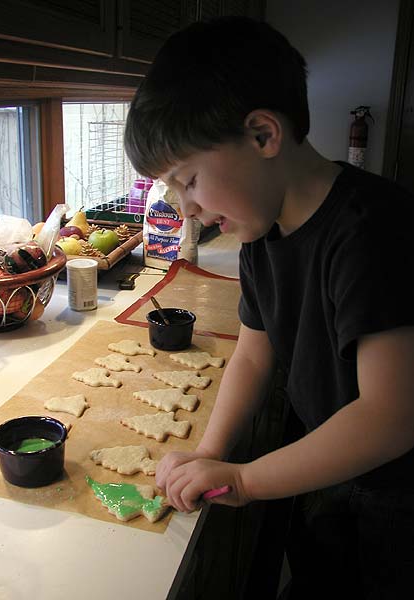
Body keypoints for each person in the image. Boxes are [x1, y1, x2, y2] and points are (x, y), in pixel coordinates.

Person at [124, 16, 414, 599]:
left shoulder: (371, 230)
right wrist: (209, 452)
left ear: (262, 135)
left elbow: (390, 418)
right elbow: (253, 356)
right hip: (326, 470)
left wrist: (246, 479)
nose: (186, 210)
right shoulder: (262, 235)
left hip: (399, 499)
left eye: (190, 180)